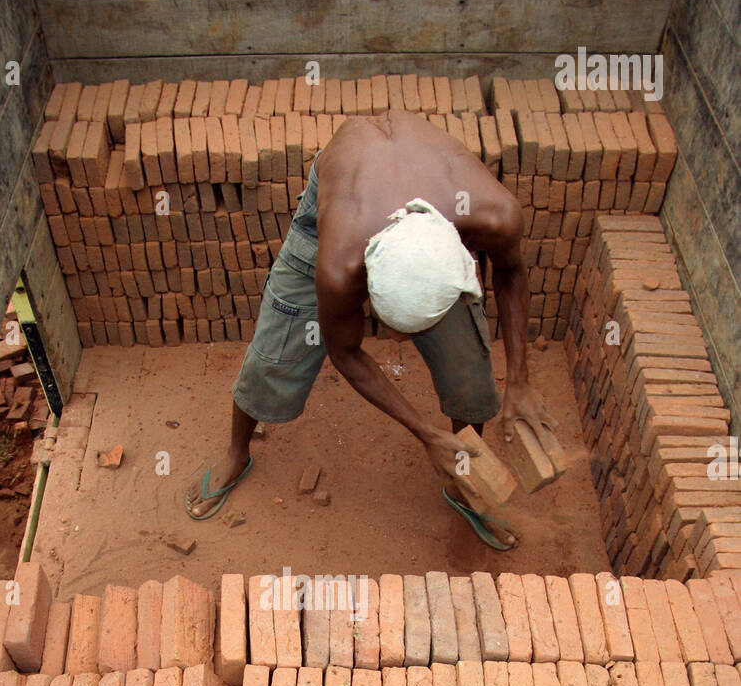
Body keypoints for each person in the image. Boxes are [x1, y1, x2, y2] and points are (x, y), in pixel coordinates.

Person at [186, 108, 557, 547]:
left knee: (471, 376)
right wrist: (425, 434)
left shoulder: (495, 216)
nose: (399, 343)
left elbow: (511, 275)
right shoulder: (339, 262)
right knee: (276, 350)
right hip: (347, 191)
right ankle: (237, 453)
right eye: (394, 327)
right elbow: (345, 353)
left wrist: (519, 381)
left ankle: (463, 476)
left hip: (428, 191)